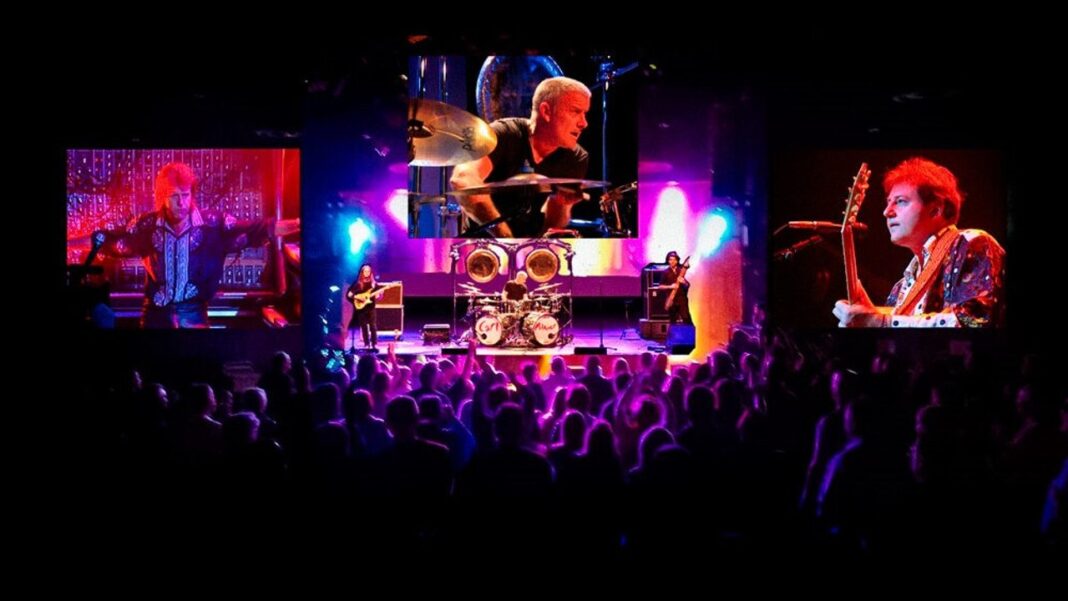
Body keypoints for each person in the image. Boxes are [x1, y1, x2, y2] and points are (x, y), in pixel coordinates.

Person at [95, 162, 297, 328]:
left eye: (185, 195)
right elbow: (108, 240)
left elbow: (261, 228)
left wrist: (299, 224)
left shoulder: (213, 224)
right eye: (174, 196)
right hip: (155, 313)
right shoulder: (147, 226)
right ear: (162, 197)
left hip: (194, 313)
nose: (181, 203)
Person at [833, 157, 1005, 328]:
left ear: (935, 209)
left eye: (900, 201)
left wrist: (881, 321)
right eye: (888, 203)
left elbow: (977, 321)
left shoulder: (972, 243)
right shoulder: (901, 288)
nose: (887, 212)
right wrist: (869, 318)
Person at [450, 76, 591, 238]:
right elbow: (462, 180)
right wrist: (504, 236)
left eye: (585, 113)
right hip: (483, 247)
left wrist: (562, 205)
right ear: (546, 111)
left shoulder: (576, 157)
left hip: (532, 251)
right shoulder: (502, 134)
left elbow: (553, 225)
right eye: (575, 111)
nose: (584, 123)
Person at [346, 264, 383, 351]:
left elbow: (379, 296)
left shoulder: (374, 284)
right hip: (361, 308)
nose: (367, 273)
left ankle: (374, 344)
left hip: (371, 307)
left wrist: (379, 295)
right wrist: (357, 297)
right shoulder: (357, 283)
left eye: (368, 271)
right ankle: (366, 344)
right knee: (364, 326)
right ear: (362, 272)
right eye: (365, 271)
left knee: (373, 326)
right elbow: (349, 295)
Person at [661, 251, 692, 325]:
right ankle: (674, 335)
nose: (672, 261)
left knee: (686, 319)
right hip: (672, 299)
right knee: (673, 320)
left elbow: (688, 285)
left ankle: (687, 335)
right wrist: (670, 286)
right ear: (668, 261)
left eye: (674, 260)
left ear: (677, 261)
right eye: (670, 259)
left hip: (682, 299)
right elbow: (660, 286)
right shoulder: (665, 272)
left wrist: (684, 282)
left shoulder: (681, 271)